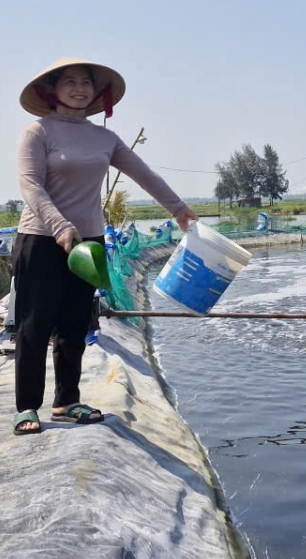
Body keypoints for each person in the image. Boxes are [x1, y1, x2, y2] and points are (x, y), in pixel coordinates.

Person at [12, 58, 197, 435]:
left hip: (89, 244)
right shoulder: (38, 131)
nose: (79, 88)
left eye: (86, 83)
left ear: (98, 94)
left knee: (75, 323)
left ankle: (66, 400)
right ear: (53, 89)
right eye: (70, 82)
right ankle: (27, 406)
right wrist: (60, 225)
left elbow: (144, 174)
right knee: (35, 324)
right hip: (43, 239)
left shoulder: (105, 139)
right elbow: (31, 185)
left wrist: (180, 211)